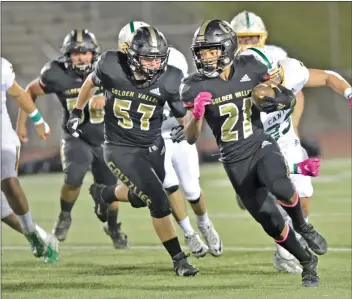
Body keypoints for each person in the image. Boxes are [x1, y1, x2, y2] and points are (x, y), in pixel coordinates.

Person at [181, 19, 327, 287]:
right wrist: (198, 116)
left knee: (280, 186)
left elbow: (286, 96)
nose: (206, 57)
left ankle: (303, 226)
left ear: (226, 48)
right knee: (270, 221)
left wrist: (275, 96)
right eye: (202, 52)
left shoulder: (253, 65)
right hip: (234, 160)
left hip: (260, 144)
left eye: (212, 51)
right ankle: (307, 262)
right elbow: (190, 138)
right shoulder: (193, 86)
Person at [67, 26, 199, 276]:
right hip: (120, 147)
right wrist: (77, 110)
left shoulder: (170, 78)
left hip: (154, 146)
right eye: (148, 57)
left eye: (159, 57)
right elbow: (90, 82)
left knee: (142, 197)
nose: (154, 63)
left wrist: (191, 123)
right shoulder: (110, 64)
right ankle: (179, 260)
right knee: (159, 201)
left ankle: (104, 194)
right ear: (132, 56)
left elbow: (187, 121)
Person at [241, 47, 352, 273]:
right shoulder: (240, 95)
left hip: (286, 141)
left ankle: (291, 243)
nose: (269, 85)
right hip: (255, 149)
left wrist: (350, 94)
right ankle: (286, 249)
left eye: (273, 77)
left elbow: (329, 76)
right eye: (263, 80)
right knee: (273, 200)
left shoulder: (292, 71)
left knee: (302, 198)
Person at [116, 21, 221, 257]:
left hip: (176, 130)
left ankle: (204, 224)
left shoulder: (172, 61)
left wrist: (187, 122)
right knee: (169, 185)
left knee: (192, 190)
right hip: (152, 137)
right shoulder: (119, 71)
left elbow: (185, 96)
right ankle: (188, 233)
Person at [16, 30, 128, 249]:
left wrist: (107, 99)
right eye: (75, 53)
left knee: (110, 190)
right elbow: (29, 91)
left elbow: (128, 94)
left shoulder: (108, 69)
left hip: (107, 139)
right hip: (76, 136)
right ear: (67, 55)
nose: (80, 57)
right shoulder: (56, 73)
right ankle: (65, 215)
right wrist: (23, 124)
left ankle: (113, 227)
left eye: (85, 52)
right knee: (73, 176)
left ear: (94, 53)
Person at [230, 11, 322, 158]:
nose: (248, 43)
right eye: (243, 39)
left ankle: (292, 135)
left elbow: (291, 85)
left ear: (262, 37)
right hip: (242, 112)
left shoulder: (274, 53)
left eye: (252, 38)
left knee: (296, 93)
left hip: (272, 105)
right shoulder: (227, 60)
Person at [1, 57, 59, 263]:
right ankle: (40, 236)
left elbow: (17, 92)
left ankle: (31, 233)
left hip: (2, 139)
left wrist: (38, 120)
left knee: (7, 179)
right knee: (3, 211)